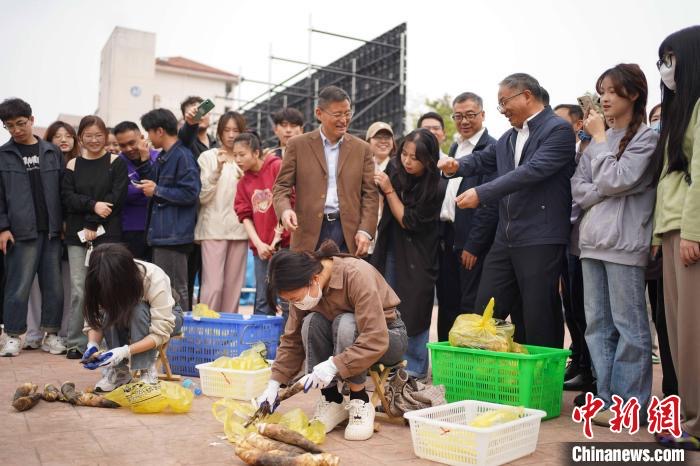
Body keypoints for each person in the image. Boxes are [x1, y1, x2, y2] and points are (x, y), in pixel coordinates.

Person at [438, 73, 576, 348]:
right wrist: (457, 166)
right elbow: (483, 159)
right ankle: (483, 370)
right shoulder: (510, 138)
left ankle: (541, 373)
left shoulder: (558, 130)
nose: (502, 110)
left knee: (537, 314)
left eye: (504, 102)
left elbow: (531, 171)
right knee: (485, 310)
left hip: (540, 236)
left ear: (526, 95)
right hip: (506, 238)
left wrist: (482, 193)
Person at [571, 63, 657, 426]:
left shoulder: (647, 138)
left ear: (633, 94)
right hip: (591, 243)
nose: (604, 98)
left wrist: (600, 144)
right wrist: (604, 186)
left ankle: (630, 405)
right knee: (597, 327)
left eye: (611, 91)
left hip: (625, 244)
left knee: (629, 327)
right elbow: (579, 188)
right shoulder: (599, 139)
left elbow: (616, 179)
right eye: (601, 91)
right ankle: (607, 400)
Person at [256, 241, 408, 441]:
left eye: (294, 298)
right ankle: (331, 399)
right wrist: (274, 384)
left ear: (314, 279)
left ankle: (360, 400)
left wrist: (334, 365)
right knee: (311, 322)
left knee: (346, 322)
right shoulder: (302, 285)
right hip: (344, 340)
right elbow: (292, 339)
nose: (294, 304)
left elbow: (375, 337)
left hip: (387, 337)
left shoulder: (356, 274)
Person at [650, 25, 700, 450]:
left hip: (689, 230)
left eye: (671, 59)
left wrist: (693, 232)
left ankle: (695, 423)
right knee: (677, 333)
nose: (666, 69)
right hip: (671, 228)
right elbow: (668, 177)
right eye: (661, 61)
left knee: (692, 332)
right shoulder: (681, 108)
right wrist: (657, 231)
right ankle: (688, 415)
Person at [273, 86, 379, 256]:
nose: (344, 120)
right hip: (307, 232)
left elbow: (370, 195)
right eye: (337, 114)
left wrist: (365, 231)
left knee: (344, 274)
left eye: (347, 113)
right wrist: (285, 210)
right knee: (308, 274)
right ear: (319, 113)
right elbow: (281, 187)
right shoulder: (297, 145)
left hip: (348, 234)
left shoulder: (362, 149)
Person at [371, 129, 441, 378]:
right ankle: (388, 362)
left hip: (419, 250)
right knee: (386, 304)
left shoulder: (435, 185)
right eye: (405, 154)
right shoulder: (394, 167)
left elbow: (408, 221)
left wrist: (390, 190)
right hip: (390, 244)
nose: (407, 162)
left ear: (428, 160)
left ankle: (414, 367)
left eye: (415, 158)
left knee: (416, 306)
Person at [0, 98, 64, 357]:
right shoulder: (3, 155)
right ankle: (13, 335)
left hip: (51, 231)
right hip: (20, 232)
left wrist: (63, 223)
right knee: (18, 286)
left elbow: (63, 189)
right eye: (9, 126)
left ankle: (51, 335)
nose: (16, 130)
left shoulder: (51, 151)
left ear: (32, 120)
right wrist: (3, 227)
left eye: (21, 123)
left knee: (53, 286)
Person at [62, 115, 128, 359]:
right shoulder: (72, 164)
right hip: (77, 235)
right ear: (80, 137)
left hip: (108, 235)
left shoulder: (115, 162)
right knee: (79, 289)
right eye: (88, 136)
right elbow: (67, 197)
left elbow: (116, 198)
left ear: (106, 136)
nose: (94, 140)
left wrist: (93, 221)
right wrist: (92, 206)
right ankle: (76, 342)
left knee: (106, 288)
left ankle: (108, 341)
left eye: (99, 135)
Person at [437, 93, 498, 342]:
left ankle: (469, 359)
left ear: (483, 115)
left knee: (469, 303)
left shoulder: (491, 148)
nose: (464, 121)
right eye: (458, 116)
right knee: (448, 301)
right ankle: (446, 356)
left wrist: (474, 245)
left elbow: (489, 201)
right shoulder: (455, 147)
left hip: (471, 239)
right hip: (449, 235)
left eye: (471, 115)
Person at [80, 243, 183, 391]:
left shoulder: (153, 277)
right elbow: (96, 317)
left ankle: (146, 369)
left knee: (137, 310)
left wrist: (124, 351)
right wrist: (93, 345)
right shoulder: (99, 279)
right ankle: (119, 372)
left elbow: (160, 332)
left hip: (169, 317)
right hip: (125, 316)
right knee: (111, 310)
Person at [23, 121, 81, 352]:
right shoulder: (40, 163)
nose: (63, 140)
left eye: (68, 135)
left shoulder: (80, 163)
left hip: (73, 233)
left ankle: (63, 332)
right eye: (58, 136)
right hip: (43, 231)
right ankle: (34, 332)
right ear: (49, 140)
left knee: (67, 284)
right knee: (35, 284)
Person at [136, 108, 201, 313]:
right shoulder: (166, 155)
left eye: (149, 131)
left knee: (175, 289)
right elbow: (154, 183)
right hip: (164, 234)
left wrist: (157, 191)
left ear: (160, 131)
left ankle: (181, 330)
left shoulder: (182, 156)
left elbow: (191, 193)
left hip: (173, 235)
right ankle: (173, 329)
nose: (148, 137)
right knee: (167, 287)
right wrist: (145, 160)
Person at [552, 103, 594, 392]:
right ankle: (577, 359)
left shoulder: (587, 150)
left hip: (583, 239)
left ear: (579, 125)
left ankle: (590, 371)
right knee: (571, 307)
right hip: (567, 240)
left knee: (583, 308)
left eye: (561, 124)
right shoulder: (564, 153)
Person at [195, 112, 248, 313]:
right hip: (213, 228)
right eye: (227, 130)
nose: (231, 135)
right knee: (213, 286)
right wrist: (217, 169)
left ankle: (228, 329)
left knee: (233, 288)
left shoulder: (247, 159)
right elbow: (202, 196)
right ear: (219, 132)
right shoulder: (208, 157)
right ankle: (206, 327)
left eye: (236, 130)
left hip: (241, 229)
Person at [234, 132, 290, 316]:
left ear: (256, 153)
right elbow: (244, 215)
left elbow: (289, 201)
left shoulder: (277, 167)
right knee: (262, 299)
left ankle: (288, 335)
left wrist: (277, 238)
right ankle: (260, 336)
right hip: (261, 250)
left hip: (286, 244)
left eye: (242, 154)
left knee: (288, 298)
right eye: (235, 155)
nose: (238, 160)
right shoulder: (243, 183)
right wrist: (258, 244)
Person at [179, 95, 217, 311]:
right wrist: (190, 124)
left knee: (210, 279)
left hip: (213, 219)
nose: (200, 114)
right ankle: (186, 321)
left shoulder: (217, 144)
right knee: (187, 275)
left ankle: (207, 318)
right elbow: (185, 135)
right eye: (194, 111)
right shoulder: (183, 141)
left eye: (203, 110)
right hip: (190, 220)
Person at [113, 121, 158, 260]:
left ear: (142, 138)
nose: (128, 149)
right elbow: (122, 195)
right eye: (122, 145)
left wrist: (139, 188)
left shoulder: (158, 157)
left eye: (132, 143)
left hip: (158, 226)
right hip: (130, 227)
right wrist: (150, 190)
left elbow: (162, 189)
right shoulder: (117, 163)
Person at [365, 121, 396, 258]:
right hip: (364, 237)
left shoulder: (399, 168)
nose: (383, 141)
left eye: (387, 137)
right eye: (378, 137)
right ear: (368, 141)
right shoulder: (361, 167)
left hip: (389, 238)